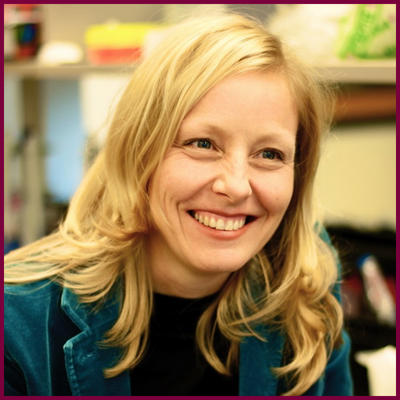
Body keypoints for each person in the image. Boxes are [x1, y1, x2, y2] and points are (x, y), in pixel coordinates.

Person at [4, 14, 353, 396]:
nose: (236, 186)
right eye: (202, 144)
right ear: (139, 153)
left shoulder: (305, 280)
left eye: (269, 153)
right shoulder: (18, 323)